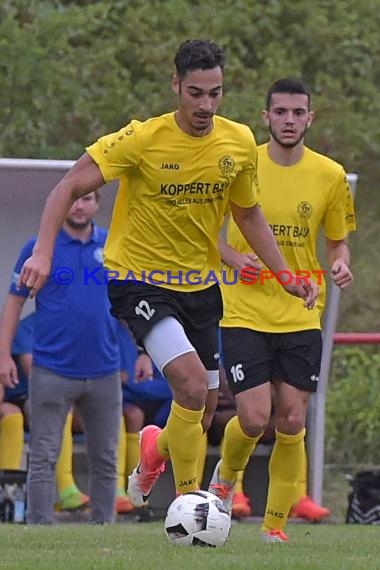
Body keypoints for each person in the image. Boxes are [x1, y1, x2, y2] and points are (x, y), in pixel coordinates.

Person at [14, 40, 318, 508]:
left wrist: (284, 275)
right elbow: (68, 185)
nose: (205, 105)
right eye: (195, 93)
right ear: (176, 85)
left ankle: (155, 449)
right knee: (193, 385)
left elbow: (249, 214)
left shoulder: (237, 143)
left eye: (214, 93)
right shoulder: (142, 139)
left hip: (200, 286)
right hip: (140, 280)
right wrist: (44, 251)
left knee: (200, 408)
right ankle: (190, 505)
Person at [209, 78, 356, 542]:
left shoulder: (330, 175)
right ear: (265, 116)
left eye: (298, 113)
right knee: (254, 418)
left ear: (310, 118)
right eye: (281, 112)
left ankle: (275, 529)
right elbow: (202, 228)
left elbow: (337, 240)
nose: (289, 120)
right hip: (244, 310)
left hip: (302, 312)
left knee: (292, 419)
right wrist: (232, 257)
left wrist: (339, 264)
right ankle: (222, 483)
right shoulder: (238, 163)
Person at [0, 192, 122, 524]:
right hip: (51, 369)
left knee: (106, 458)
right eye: (74, 200)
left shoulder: (112, 246)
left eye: (87, 199)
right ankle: (39, 526)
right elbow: (14, 302)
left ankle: (104, 527)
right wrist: (3, 355)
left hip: (104, 369)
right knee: (43, 455)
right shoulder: (39, 247)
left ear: (97, 205)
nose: (79, 206)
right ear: (61, 205)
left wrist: (140, 351)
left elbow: (130, 303)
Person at [0, 312, 90, 511]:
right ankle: (61, 489)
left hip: (68, 394)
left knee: (109, 413)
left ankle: (117, 492)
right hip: (28, 396)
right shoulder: (25, 327)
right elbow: (37, 377)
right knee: (47, 404)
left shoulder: (73, 325)